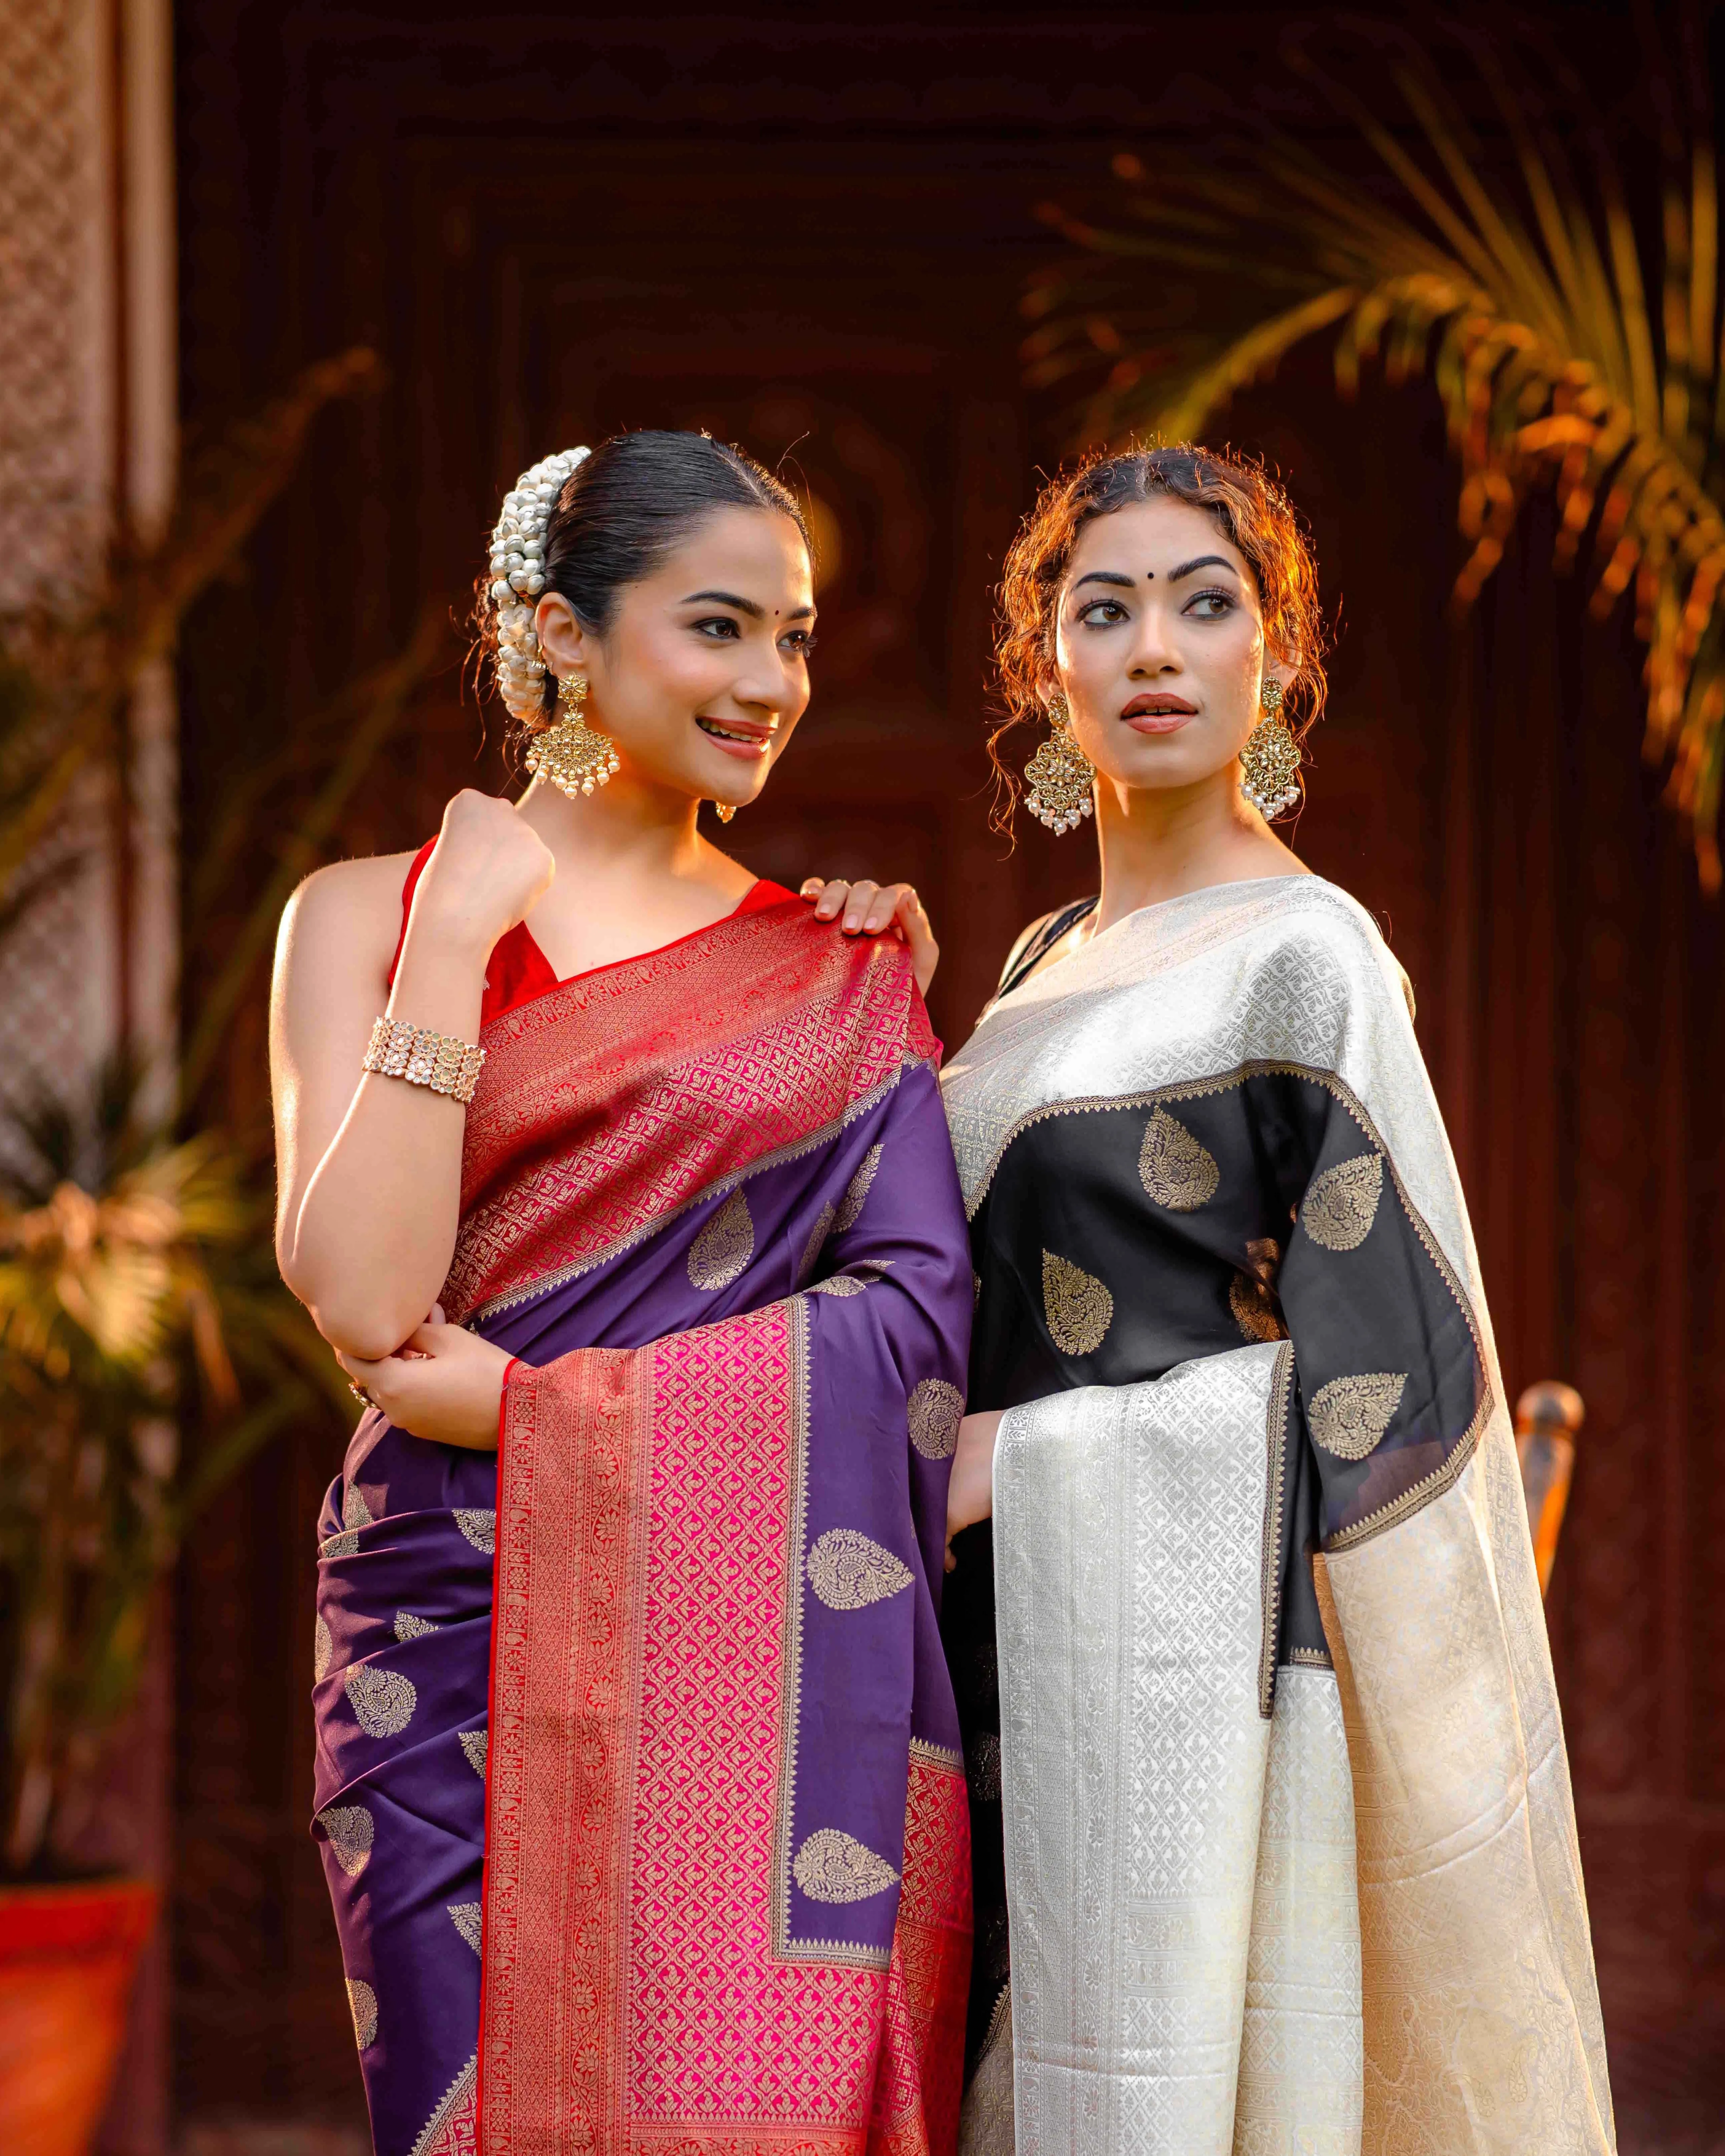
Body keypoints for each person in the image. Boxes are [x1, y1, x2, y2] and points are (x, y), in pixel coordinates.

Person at [817, 444, 1613, 2154]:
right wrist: (874, 1021)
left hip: (1215, 1710)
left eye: (1205, 604)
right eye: (1104, 612)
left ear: (1277, 660)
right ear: (1051, 674)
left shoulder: (1308, 959)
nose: (1155, 649)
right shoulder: (1032, 974)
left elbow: (1396, 1392)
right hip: (992, 1674)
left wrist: (1017, 1468)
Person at [271, 431, 973, 2156]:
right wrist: (456, 941)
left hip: (758, 1658)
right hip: (438, 1651)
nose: (770, 684)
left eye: (794, 637)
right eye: (719, 627)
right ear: (560, 635)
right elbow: (364, 1299)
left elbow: (915, 1330)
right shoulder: (366, 915)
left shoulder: (842, 973)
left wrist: (540, 1412)